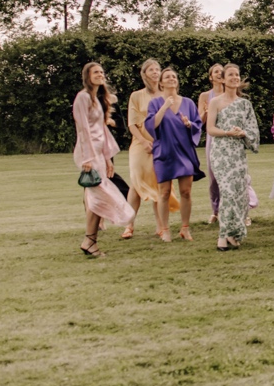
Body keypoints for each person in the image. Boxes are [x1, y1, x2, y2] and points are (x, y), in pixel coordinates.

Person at [72, 62, 134, 257]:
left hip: (99, 155)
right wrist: (87, 158)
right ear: (87, 77)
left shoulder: (97, 100)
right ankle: (89, 241)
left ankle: (90, 241)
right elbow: (83, 129)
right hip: (90, 156)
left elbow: (103, 130)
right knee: (98, 197)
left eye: (101, 72)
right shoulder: (82, 98)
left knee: (96, 199)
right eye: (95, 72)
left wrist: (108, 158)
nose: (100, 75)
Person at [206, 63, 259, 251]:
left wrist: (243, 133)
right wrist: (228, 132)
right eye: (230, 75)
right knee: (227, 193)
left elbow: (253, 130)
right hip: (221, 153)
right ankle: (222, 236)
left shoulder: (245, 104)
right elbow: (210, 129)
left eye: (237, 74)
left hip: (238, 154)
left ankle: (233, 233)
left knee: (239, 194)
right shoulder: (215, 102)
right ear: (222, 79)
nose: (235, 77)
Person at [124, 58, 177, 241]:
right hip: (141, 145)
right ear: (144, 74)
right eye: (151, 70)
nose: (155, 72)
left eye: (157, 69)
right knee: (136, 183)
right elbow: (132, 124)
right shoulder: (136, 96)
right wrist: (144, 142)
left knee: (159, 184)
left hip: (161, 143)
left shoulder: (166, 95)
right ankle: (129, 224)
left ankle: (161, 226)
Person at [147, 68, 201, 242]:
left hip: (184, 151)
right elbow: (152, 125)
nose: (171, 79)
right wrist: (164, 107)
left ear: (177, 81)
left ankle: (185, 228)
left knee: (186, 191)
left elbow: (197, 125)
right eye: (167, 77)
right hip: (164, 152)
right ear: (161, 83)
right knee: (164, 192)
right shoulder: (155, 103)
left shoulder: (188, 103)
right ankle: (165, 229)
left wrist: (189, 124)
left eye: (174, 76)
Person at [197, 64, 225, 226]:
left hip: (229, 137)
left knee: (233, 175)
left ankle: (241, 210)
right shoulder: (205, 96)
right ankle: (215, 211)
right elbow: (199, 122)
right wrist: (206, 111)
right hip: (212, 138)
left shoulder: (231, 94)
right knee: (214, 177)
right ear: (211, 77)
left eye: (222, 71)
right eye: (216, 71)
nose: (219, 73)